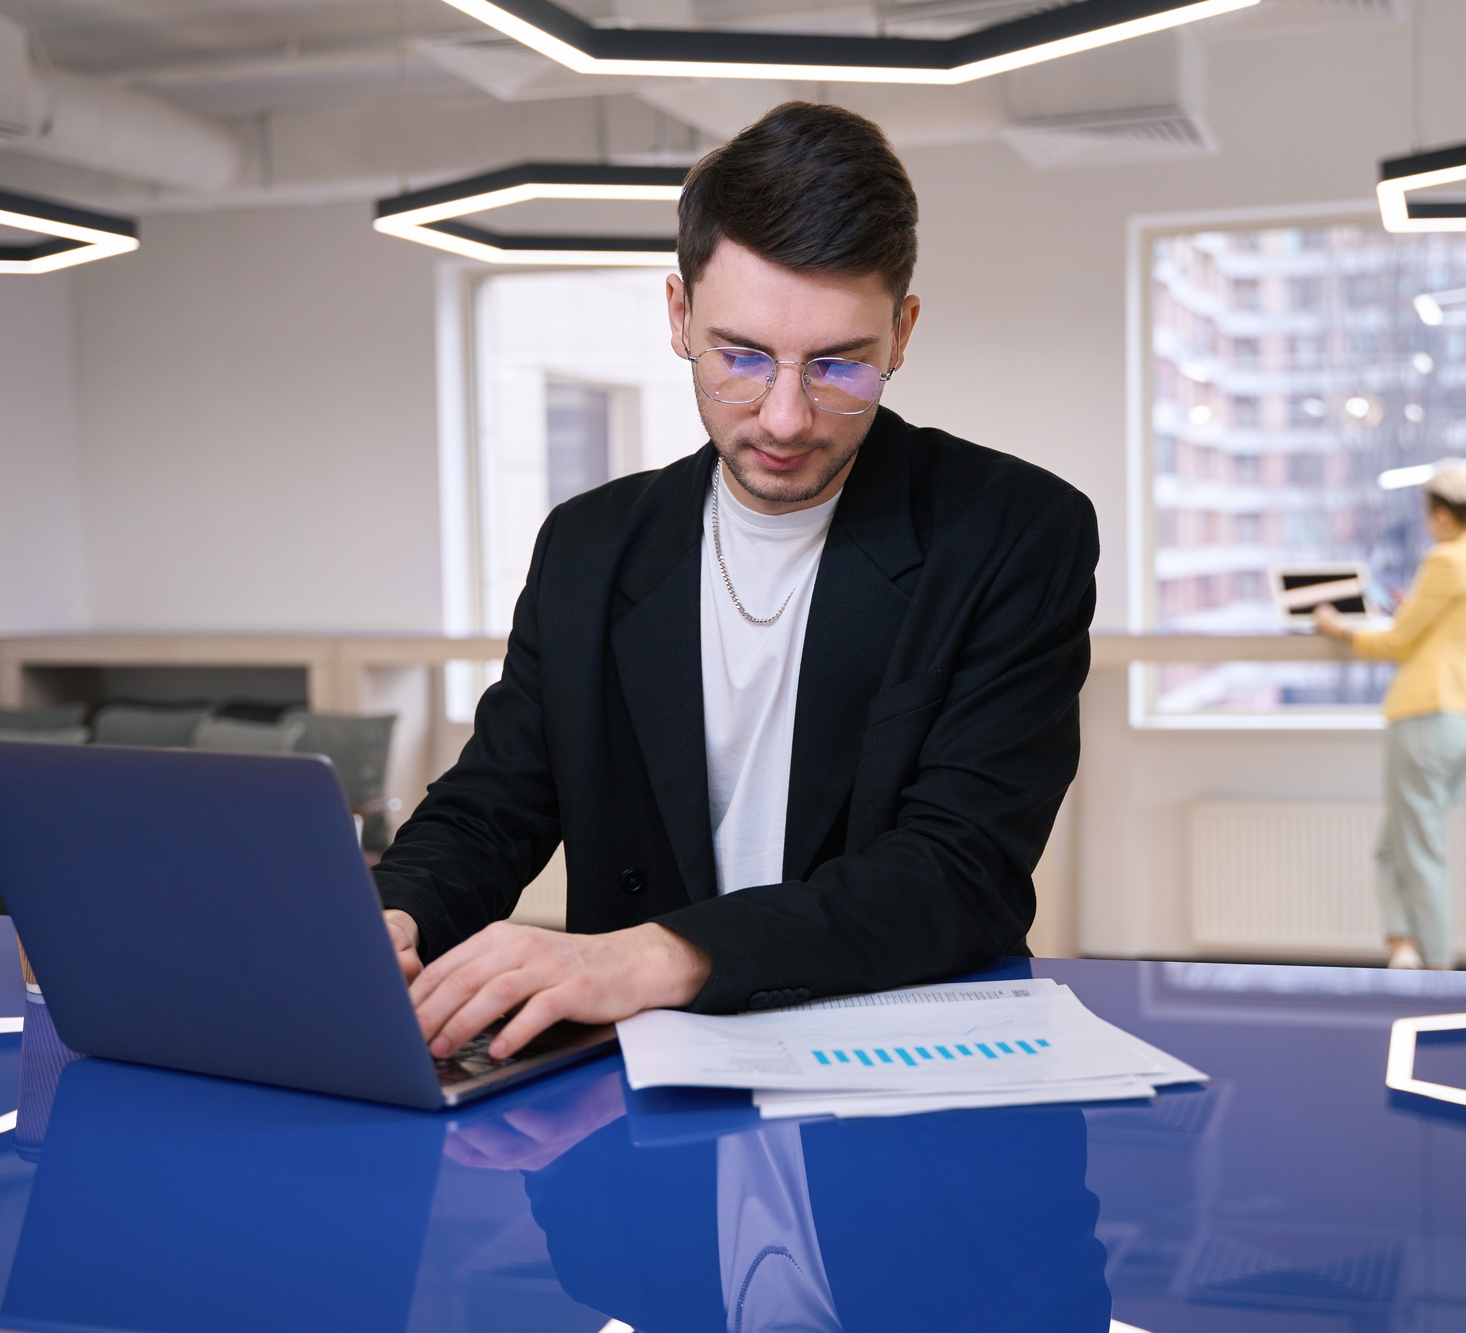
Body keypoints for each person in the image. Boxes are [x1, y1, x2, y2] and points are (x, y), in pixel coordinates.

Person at [372, 101, 1099, 1060]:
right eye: (743, 358)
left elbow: (959, 872)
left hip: (903, 1071)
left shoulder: (1014, 531)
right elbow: (492, 806)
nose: (786, 416)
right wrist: (394, 916)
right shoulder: (588, 546)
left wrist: (660, 955)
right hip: (646, 1079)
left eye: (839, 365)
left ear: (903, 333)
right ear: (679, 315)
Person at [1313, 461, 1466, 969]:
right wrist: (1411, 612)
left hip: (1426, 720)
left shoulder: (1446, 560)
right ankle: (1403, 948)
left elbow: (1394, 642)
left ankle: (1439, 970)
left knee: (1421, 855)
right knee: (1394, 848)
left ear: (1440, 514)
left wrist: (1334, 626)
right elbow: (1463, 626)